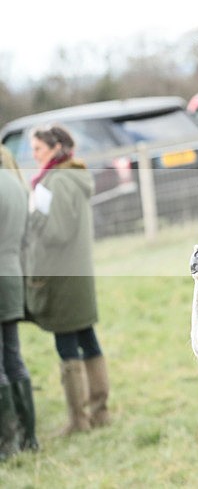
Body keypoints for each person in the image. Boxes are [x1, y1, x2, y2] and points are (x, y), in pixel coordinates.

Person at [25, 124, 110, 435]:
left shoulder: (56, 181)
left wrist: (32, 215)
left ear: (56, 147)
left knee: (67, 344)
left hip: (61, 277)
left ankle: (79, 419)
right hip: (77, 274)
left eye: (38, 149)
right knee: (87, 339)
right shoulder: (73, 175)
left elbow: (56, 232)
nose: (33, 156)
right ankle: (99, 411)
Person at [0, 146, 38, 459]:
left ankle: (7, 444)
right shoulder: (14, 183)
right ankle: (30, 436)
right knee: (13, 356)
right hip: (12, 274)